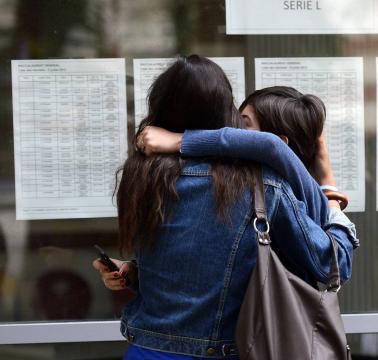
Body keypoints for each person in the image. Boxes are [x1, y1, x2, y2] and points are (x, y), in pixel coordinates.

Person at [93, 56, 356, 359]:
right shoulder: (258, 185)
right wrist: (333, 200)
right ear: (224, 113)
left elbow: (195, 273)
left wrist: (134, 272)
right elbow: (334, 264)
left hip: (145, 350)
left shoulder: (142, 177)